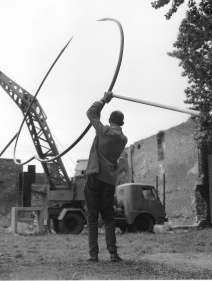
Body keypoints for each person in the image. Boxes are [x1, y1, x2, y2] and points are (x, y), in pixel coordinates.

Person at [84, 91, 128, 262]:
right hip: (108, 182)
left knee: (92, 218)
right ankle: (113, 254)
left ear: (110, 121)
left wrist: (103, 100)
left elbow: (91, 113)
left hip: (94, 177)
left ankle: (93, 255)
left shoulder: (104, 131)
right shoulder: (123, 139)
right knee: (109, 218)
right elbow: (96, 117)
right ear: (122, 122)